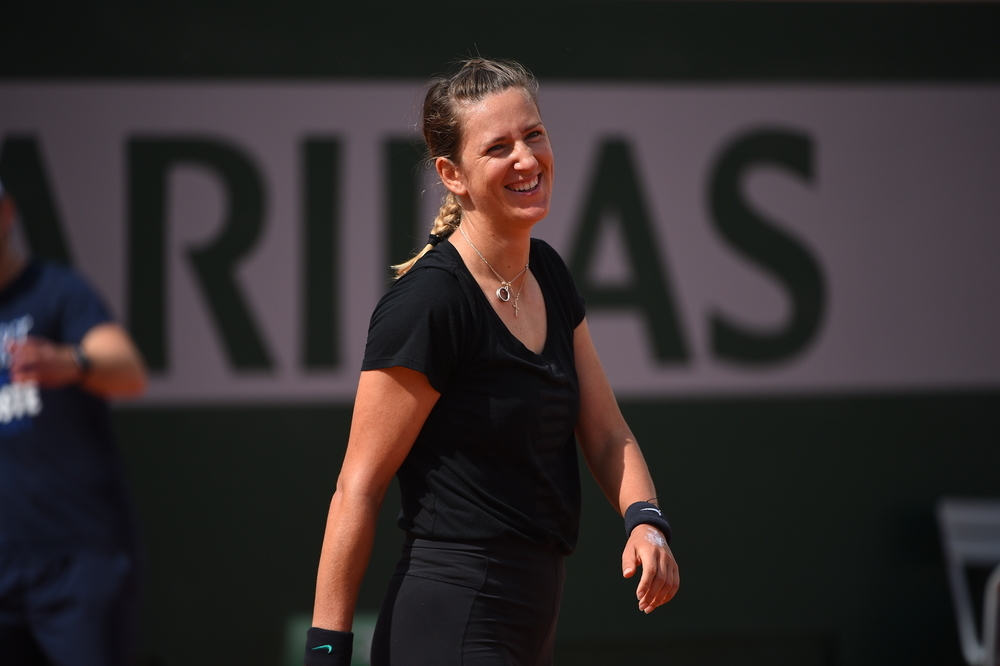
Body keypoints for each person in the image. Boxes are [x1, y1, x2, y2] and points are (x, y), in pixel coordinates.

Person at [306, 58, 678, 666]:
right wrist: (326, 652)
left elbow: (608, 435)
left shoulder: (549, 274)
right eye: (499, 147)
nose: (527, 160)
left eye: (533, 135)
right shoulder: (428, 304)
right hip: (449, 619)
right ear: (451, 174)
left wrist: (646, 521)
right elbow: (358, 487)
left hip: (530, 617)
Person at [0, 177, 148, 666]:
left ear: (7, 214)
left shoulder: (58, 291)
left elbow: (127, 368)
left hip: (79, 563)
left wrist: (74, 362)